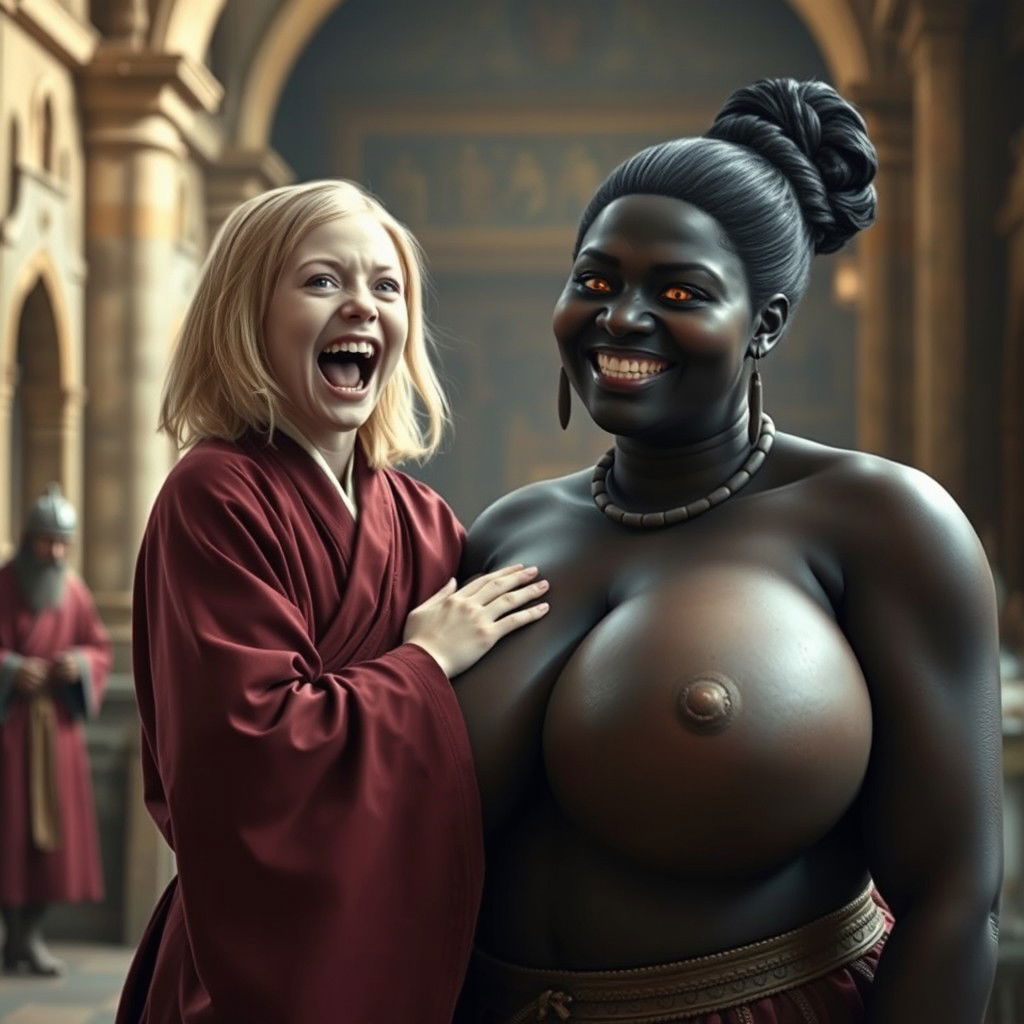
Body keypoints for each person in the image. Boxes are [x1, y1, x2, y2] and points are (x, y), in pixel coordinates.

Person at [454, 78, 1002, 1023]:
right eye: (594, 280)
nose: (621, 316)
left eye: (679, 292)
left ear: (768, 323)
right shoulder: (506, 530)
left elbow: (955, 905)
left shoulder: (881, 524)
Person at [115, 180, 550, 1024]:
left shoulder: (423, 521)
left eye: (385, 286)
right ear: (249, 312)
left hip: (404, 938)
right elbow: (244, 760)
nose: (361, 305)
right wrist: (424, 663)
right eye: (322, 281)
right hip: (245, 964)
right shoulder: (213, 495)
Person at [0, 483, 111, 976]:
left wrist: (80, 665)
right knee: (10, 835)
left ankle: (32, 936)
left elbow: (99, 648)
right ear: (30, 540)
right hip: (10, 732)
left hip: (57, 732)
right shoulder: (3, 585)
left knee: (52, 845)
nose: (56, 551)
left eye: (63, 542)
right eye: (48, 541)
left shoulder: (74, 592)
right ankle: (13, 936)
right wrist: (8, 670)